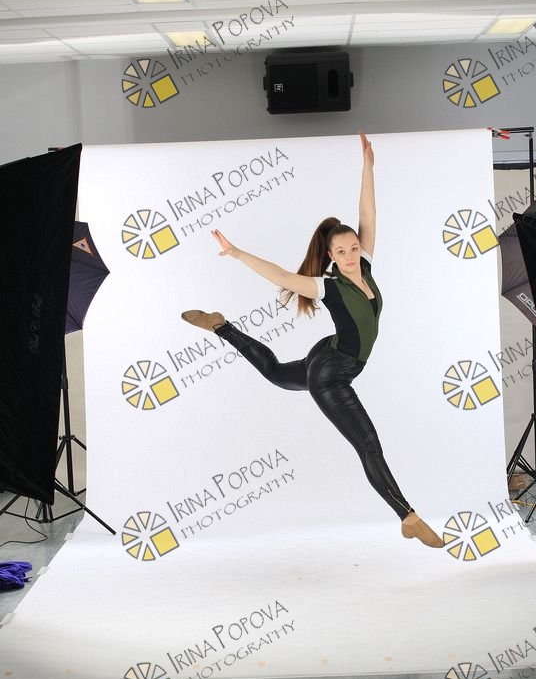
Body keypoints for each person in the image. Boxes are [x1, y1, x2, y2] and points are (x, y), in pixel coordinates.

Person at [181, 132, 443, 548]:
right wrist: (238, 253)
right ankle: (408, 517)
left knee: (275, 374)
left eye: (354, 247)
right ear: (331, 256)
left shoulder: (365, 265)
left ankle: (221, 326)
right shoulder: (328, 285)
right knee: (368, 444)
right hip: (331, 375)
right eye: (342, 252)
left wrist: (368, 167)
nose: (351, 255)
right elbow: (283, 276)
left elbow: (368, 213)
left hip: (330, 352)